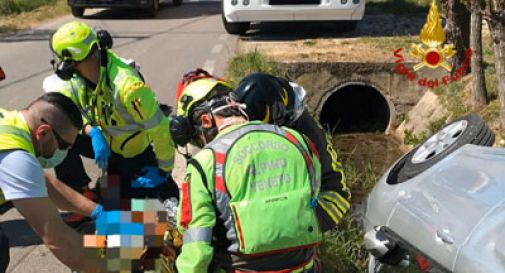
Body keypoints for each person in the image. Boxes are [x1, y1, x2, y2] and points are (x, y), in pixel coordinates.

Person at [172, 78, 323, 273]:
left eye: (196, 136)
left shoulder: (205, 163)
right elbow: (313, 198)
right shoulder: (298, 141)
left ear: (206, 121)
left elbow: (197, 249)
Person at [48, 21, 179, 211]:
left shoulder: (127, 87)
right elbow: (68, 107)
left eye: (61, 59)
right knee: (57, 130)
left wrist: (164, 169)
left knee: (159, 223)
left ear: (71, 61)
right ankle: (83, 196)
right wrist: (92, 131)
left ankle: (158, 204)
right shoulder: (81, 79)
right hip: (108, 149)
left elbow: (160, 128)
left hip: (135, 155)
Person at [0, 93, 107, 272]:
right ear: (43, 132)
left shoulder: (10, 124)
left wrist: (95, 210)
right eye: (64, 146)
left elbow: (43, 182)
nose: (64, 152)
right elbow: (58, 239)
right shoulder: (15, 157)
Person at [234, 72, 351, 232]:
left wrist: (307, 226)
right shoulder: (273, 114)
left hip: (327, 201)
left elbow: (334, 187)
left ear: (277, 114)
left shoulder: (307, 134)